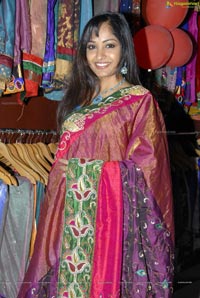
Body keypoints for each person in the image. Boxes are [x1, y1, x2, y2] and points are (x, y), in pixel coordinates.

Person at [18, 12, 174, 297]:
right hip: (68, 218)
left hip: (109, 225)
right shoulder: (77, 101)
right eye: (92, 46)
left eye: (109, 45)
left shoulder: (139, 101)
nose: (100, 55)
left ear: (124, 49)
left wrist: (89, 172)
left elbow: (148, 167)